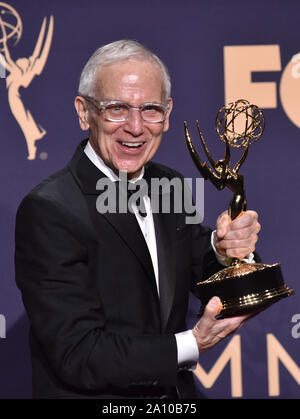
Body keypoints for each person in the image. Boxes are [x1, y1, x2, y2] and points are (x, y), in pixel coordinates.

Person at [15, 40, 261, 399]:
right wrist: (191, 343)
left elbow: (202, 272)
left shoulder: (169, 184)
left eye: (150, 109)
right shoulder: (49, 210)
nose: (135, 127)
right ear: (84, 112)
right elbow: (79, 355)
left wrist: (225, 250)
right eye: (117, 108)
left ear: (168, 113)